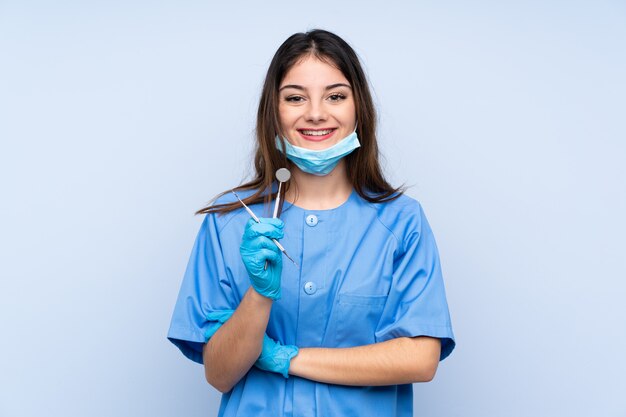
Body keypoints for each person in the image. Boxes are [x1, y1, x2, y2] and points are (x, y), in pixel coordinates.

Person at [167, 29, 455, 417]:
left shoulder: (401, 222)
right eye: (295, 97)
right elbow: (220, 374)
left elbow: (420, 358)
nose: (316, 113)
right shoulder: (230, 221)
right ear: (274, 110)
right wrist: (259, 296)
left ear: (359, 109)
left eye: (335, 96)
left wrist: (285, 357)